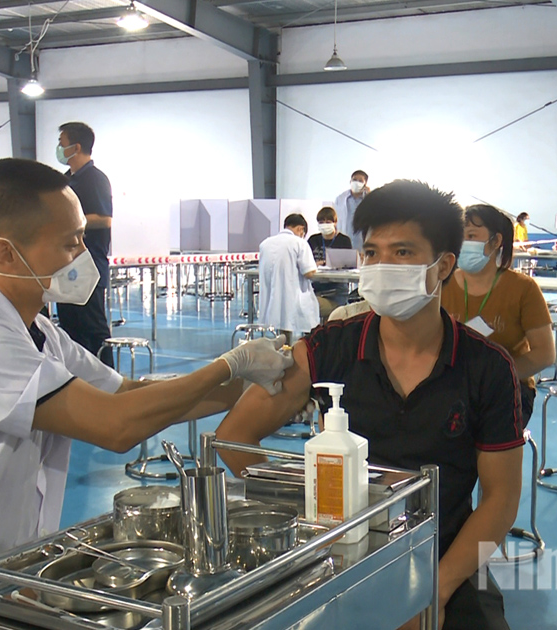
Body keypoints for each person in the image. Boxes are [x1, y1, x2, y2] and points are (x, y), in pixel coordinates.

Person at [0, 159, 294, 629]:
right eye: (69, 242)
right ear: (5, 253)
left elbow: (128, 392)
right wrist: (229, 365)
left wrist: (248, 384)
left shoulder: (38, 331)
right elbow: (116, 424)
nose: (82, 255)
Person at [216, 180, 524, 630]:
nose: (381, 267)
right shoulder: (331, 348)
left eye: (402, 253)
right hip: (337, 557)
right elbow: (234, 436)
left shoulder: (487, 367)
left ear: (443, 265)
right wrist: (303, 515)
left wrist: (434, 591)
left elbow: (501, 498)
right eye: (372, 253)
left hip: (445, 556)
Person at [443, 204, 553, 423]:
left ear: (495, 241)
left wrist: (497, 376)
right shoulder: (441, 284)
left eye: (471, 236)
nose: (462, 242)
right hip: (451, 386)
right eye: (459, 236)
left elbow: (544, 354)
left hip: (509, 387)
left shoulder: (523, 288)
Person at [55, 122, 114, 366]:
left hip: (89, 266)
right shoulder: (65, 180)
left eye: (62, 143)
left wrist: (70, 223)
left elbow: (104, 219)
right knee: (70, 330)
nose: (59, 148)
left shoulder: (95, 179)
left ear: (76, 147)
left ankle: (108, 380)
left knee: (93, 329)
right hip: (65, 266)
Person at [258, 213, 319, 338]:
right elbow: (309, 272)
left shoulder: (265, 243)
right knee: (295, 318)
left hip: (270, 299)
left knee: (279, 322)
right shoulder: (299, 243)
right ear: (301, 229)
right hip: (292, 297)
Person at [307, 206, 352, 320]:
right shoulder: (313, 240)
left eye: (328, 222)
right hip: (316, 287)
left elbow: (350, 264)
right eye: (321, 222)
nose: (324, 225)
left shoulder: (344, 240)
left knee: (309, 306)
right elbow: (306, 262)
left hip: (336, 289)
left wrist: (331, 263)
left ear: (335, 222)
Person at [334, 170, 370, 250]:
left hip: (362, 243)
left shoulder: (369, 199)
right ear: (350, 181)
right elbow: (335, 220)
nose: (357, 182)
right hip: (344, 242)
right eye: (354, 180)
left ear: (365, 184)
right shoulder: (340, 199)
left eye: (360, 181)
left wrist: (370, 196)